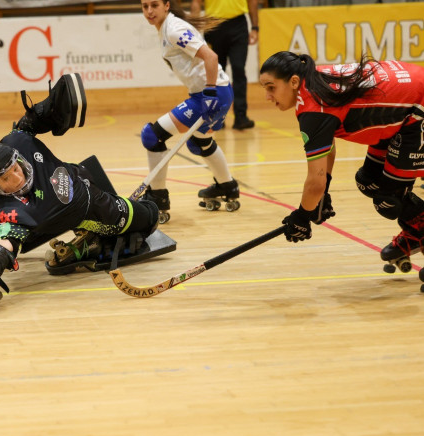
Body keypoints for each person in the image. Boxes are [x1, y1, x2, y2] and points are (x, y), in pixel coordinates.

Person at [0, 74, 164, 307]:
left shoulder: (17, 143)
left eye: (16, 168)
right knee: (149, 215)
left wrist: (45, 110)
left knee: (150, 214)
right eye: (6, 178)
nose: (17, 177)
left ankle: (95, 238)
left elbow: (27, 125)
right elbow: (7, 238)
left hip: (83, 178)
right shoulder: (11, 211)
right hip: (94, 212)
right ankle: (93, 237)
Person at [259, 51, 424, 272]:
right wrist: (323, 192)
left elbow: (313, 182)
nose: (267, 96)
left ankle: (418, 230)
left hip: (417, 108)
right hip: (404, 108)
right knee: (369, 181)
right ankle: (417, 230)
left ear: (293, 82)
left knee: (389, 200)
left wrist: (301, 216)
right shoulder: (311, 81)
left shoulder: (312, 107)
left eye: (271, 87)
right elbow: (326, 148)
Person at [139, 0, 241, 219]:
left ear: (166, 5)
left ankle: (158, 198)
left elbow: (211, 57)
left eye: (154, 5)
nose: (149, 11)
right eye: (144, 6)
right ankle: (227, 186)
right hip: (218, 92)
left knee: (152, 135)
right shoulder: (167, 28)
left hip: (211, 94)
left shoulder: (174, 29)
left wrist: (210, 93)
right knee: (201, 142)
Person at [190, 0, 258, 130]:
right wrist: (195, 28)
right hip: (214, 25)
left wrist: (255, 27)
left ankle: (241, 116)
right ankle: (216, 117)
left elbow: (252, 2)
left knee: (239, 69)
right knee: (214, 74)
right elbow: (196, 3)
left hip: (238, 23)